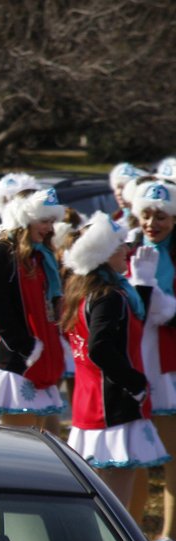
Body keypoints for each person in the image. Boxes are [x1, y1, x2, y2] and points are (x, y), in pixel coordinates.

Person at [61, 212, 169, 512]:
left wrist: (144, 286)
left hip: (92, 403)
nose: (128, 250)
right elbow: (100, 347)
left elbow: (124, 328)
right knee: (113, 503)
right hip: (112, 407)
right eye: (121, 245)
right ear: (104, 253)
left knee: (101, 497)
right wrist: (135, 383)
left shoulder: (86, 290)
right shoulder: (109, 295)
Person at [0, 187, 66, 428]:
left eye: (52, 221)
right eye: (44, 221)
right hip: (14, 357)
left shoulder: (41, 255)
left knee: (42, 440)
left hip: (39, 354)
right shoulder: (1, 251)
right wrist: (25, 346)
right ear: (25, 218)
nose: (50, 228)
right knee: (20, 442)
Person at [127, 180, 176, 541]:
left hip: (169, 363)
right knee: (138, 448)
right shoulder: (128, 250)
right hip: (135, 359)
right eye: (146, 214)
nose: (151, 222)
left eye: (160, 216)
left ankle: (168, 533)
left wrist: (160, 304)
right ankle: (132, 524)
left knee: (171, 452)